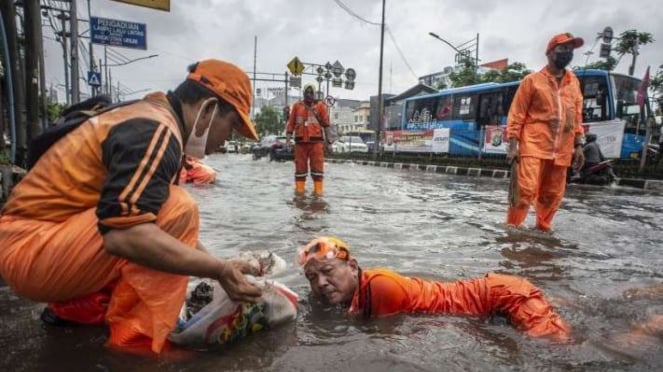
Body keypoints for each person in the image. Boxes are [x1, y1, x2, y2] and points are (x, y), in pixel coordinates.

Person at [0, 59, 263, 354]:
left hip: (35, 242)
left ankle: (75, 311)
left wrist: (220, 265)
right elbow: (126, 235)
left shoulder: (149, 116)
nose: (227, 139)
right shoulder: (157, 130)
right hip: (29, 250)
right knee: (179, 207)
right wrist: (218, 271)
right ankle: (139, 345)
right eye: (232, 126)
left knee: (163, 212)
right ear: (210, 108)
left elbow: (155, 225)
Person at [297, 236, 571, 342]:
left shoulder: (380, 286)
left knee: (559, 347)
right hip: (490, 300)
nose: (320, 283)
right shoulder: (359, 288)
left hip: (501, 296)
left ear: (353, 266)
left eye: (328, 272)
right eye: (312, 278)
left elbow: (384, 340)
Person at [506, 32, 586, 232]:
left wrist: (579, 145)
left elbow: (577, 117)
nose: (567, 53)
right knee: (525, 191)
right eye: (563, 48)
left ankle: (542, 230)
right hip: (533, 145)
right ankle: (512, 230)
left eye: (570, 49)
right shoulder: (531, 81)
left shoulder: (574, 83)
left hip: (562, 150)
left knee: (552, 195)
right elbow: (517, 114)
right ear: (550, 52)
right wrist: (513, 145)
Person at [285, 84, 333, 196]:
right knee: (300, 171)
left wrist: (329, 143)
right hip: (300, 144)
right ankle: (300, 195)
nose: (309, 95)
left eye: (311, 93)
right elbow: (290, 125)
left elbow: (326, 125)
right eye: (307, 92)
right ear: (303, 94)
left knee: (317, 171)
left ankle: (318, 195)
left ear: (315, 94)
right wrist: (287, 141)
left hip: (316, 144)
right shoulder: (297, 106)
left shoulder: (320, 107)